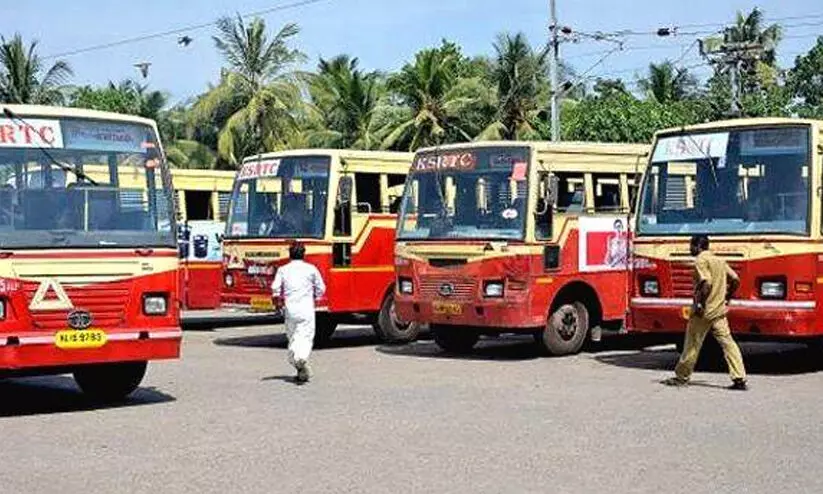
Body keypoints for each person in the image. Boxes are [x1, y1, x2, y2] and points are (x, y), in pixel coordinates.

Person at [664, 235, 748, 390]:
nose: (690, 249)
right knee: (728, 343)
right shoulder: (719, 261)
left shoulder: (700, 261)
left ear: (697, 246)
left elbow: (706, 282)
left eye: (691, 246)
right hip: (719, 311)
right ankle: (739, 377)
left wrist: (701, 303)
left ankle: (682, 376)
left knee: (692, 344)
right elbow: (735, 279)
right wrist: (728, 296)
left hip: (704, 312)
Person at [271, 241, 326, 383]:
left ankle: (297, 365)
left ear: (289, 254)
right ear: (304, 254)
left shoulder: (283, 269)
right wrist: (316, 297)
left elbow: (275, 289)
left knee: (293, 336)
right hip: (306, 308)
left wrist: (277, 303)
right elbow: (321, 287)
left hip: (290, 309)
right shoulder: (311, 269)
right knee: (305, 337)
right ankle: (300, 359)